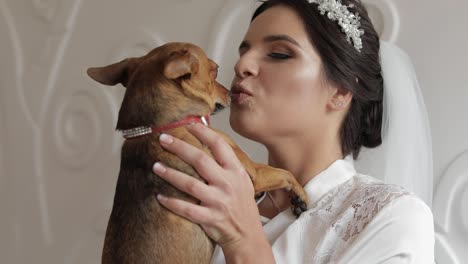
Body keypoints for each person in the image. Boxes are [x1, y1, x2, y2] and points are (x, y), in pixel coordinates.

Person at [152, 0, 435, 263]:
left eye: (278, 54)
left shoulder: (392, 217)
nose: (242, 66)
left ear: (341, 89)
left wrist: (243, 241)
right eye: (244, 51)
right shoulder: (206, 193)